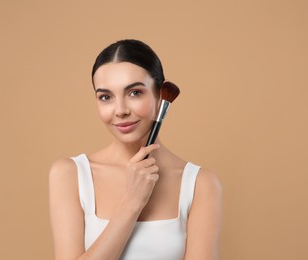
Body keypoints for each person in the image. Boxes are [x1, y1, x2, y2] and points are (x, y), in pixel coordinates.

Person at [49, 39, 222, 260]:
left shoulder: (201, 184)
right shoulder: (70, 174)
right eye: (105, 97)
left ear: (160, 95)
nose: (120, 110)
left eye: (134, 93)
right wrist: (132, 201)